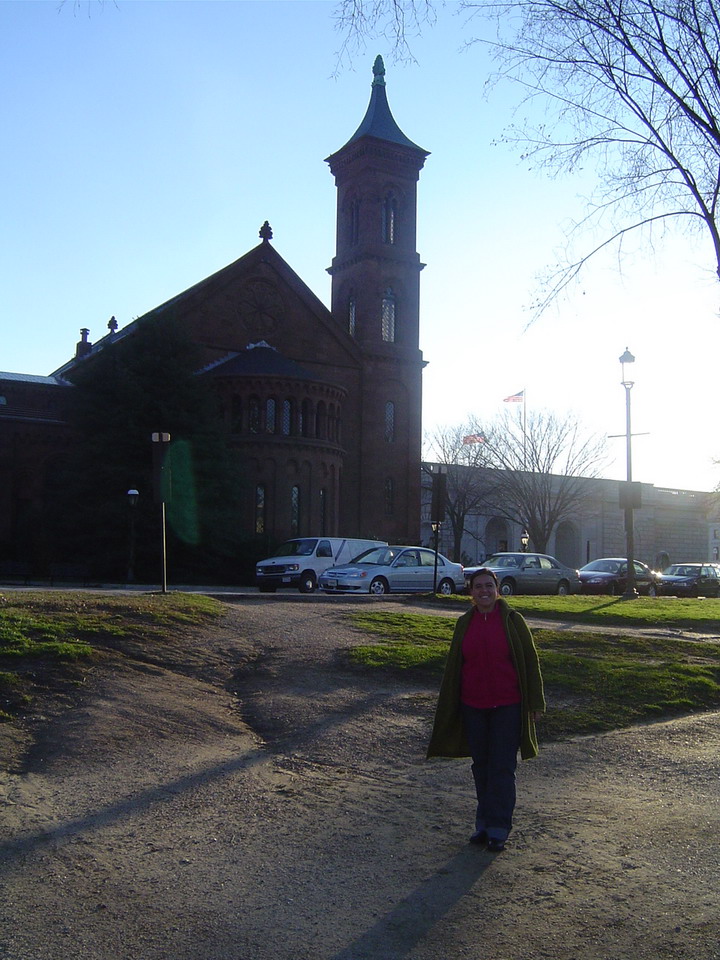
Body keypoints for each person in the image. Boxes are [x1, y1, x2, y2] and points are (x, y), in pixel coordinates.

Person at [427, 567, 545, 852]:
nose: (484, 591)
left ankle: (498, 826)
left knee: (502, 768)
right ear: (471, 592)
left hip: (507, 706)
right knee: (481, 766)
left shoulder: (513, 621)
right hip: (473, 705)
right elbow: (456, 666)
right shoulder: (464, 623)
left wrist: (535, 702)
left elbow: (530, 661)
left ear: (498, 589)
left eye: (488, 586)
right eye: (478, 587)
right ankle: (483, 822)